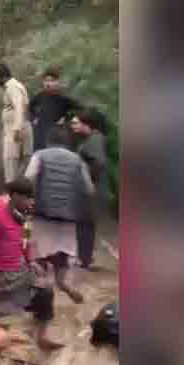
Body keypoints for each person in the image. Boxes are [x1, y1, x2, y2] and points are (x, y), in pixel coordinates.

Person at [0, 178, 65, 351]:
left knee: (45, 293)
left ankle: (41, 337)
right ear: (15, 196)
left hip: (18, 269)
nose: (32, 202)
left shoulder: (25, 212)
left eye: (33, 198)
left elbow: (26, 237)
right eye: (28, 198)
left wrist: (30, 260)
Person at [24, 126, 95, 305]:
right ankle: (64, 285)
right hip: (68, 219)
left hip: (43, 216)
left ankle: (41, 301)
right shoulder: (78, 160)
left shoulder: (40, 155)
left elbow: (28, 178)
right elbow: (89, 189)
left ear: (48, 141)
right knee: (61, 259)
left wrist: (27, 200)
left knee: (39, 261)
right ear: (67, 143)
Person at [71, 108, 109, 269]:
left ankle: (84, 259)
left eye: (76, 122)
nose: (73, 125)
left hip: (91, 189)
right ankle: (84, 257)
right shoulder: (90, 139)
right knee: (83, 224)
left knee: (85, 224)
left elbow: (98, 163)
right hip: (88, 188)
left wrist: (86, 177)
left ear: (86, 124)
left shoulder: (95, 139)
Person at [28, 66, 82, 152]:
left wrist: (66, 118)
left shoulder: (63, 99)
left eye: (51, 81)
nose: (48, 83)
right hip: (39, 134)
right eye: (46, 81)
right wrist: (34, 119)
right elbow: (30, 107)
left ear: (57, 82)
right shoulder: (39, 96)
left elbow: (80, 109)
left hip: (55, 136)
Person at [0, 64, 32, 183]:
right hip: (18, 126)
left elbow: (19, 107)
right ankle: (18, 186)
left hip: (15, 129)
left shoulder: (13, 87)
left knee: (10, 160)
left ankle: (12, 188)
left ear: (3, 77)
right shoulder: (14, 86)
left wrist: (16, 129)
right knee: (21, 160)